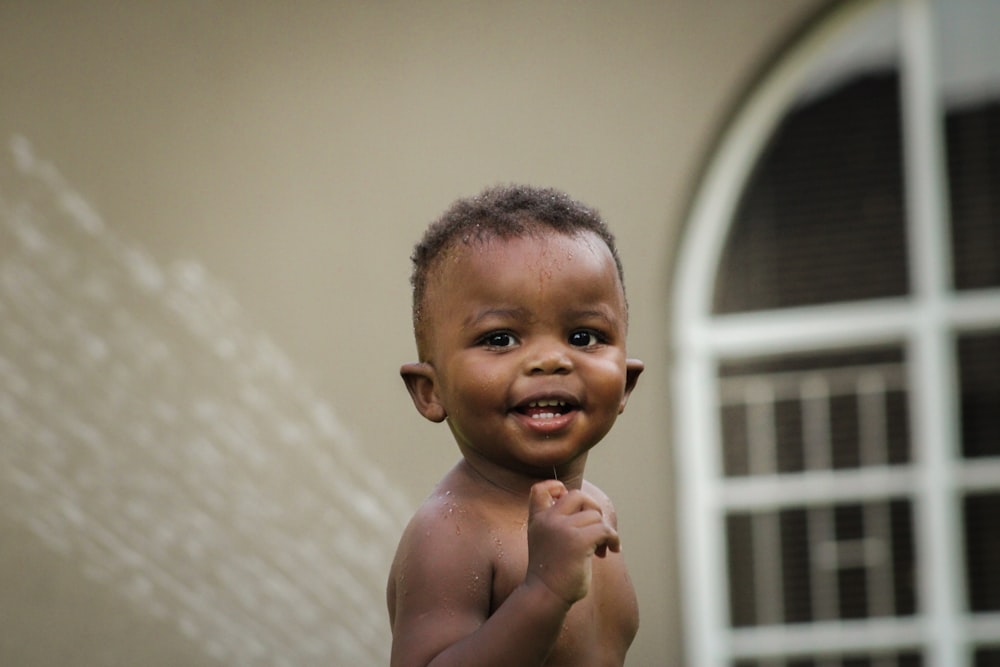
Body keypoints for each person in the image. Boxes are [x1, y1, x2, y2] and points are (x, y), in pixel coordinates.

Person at [387, 184, 644, 666]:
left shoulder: (596, 510)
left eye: (583, 336)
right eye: (501, 338)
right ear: (430, 391)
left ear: (626, 383)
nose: (550, 359)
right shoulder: (451, 533)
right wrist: (542, 592)